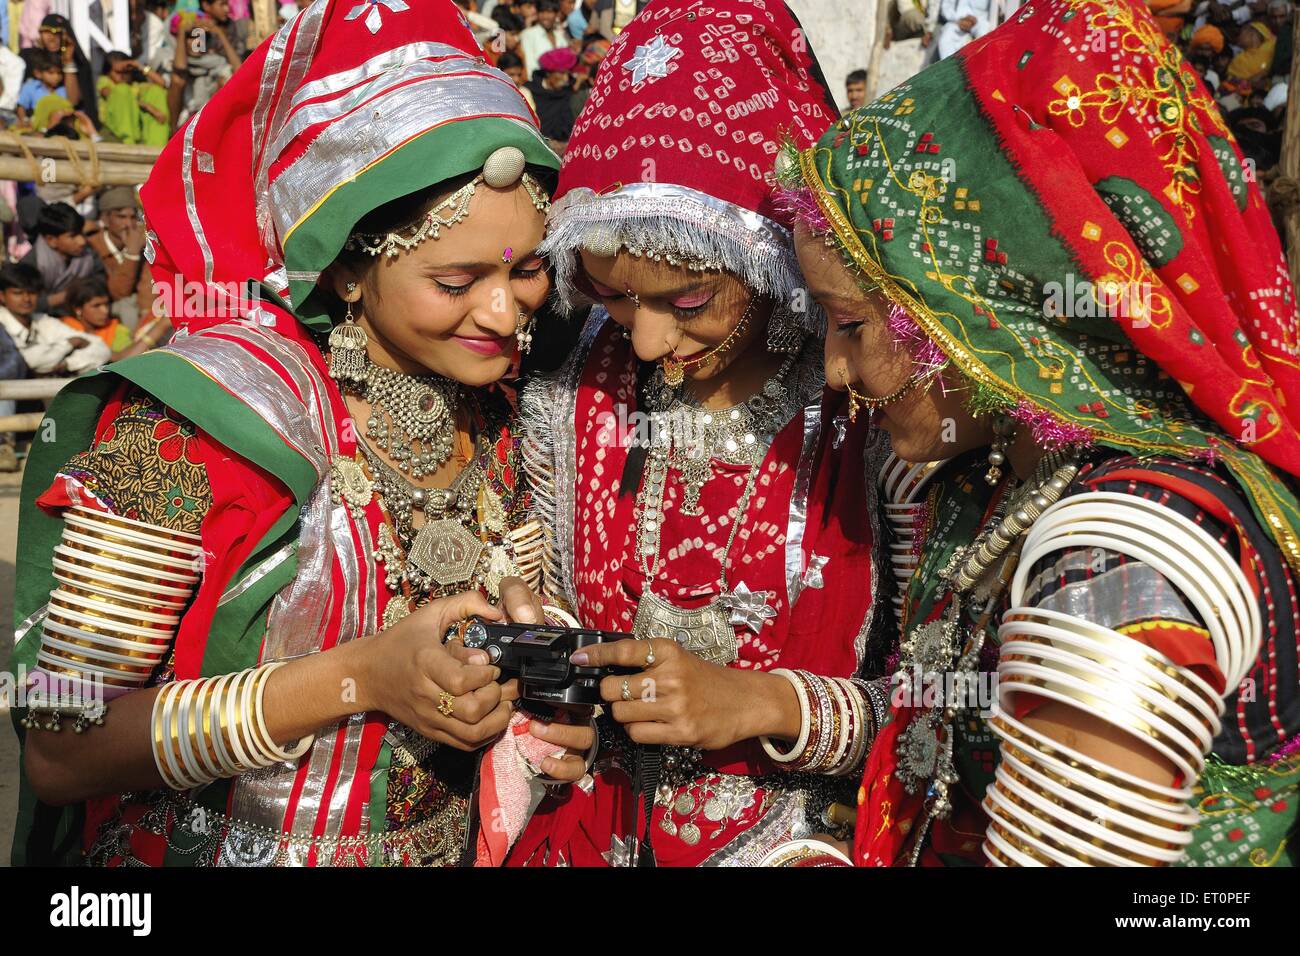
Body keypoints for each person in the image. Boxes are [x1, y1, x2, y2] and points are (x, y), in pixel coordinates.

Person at [10, 0, 593, 869]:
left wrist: (531, 669)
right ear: (351, 267)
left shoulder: (499, 416)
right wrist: (361, 678)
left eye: (529, 269)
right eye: (458, 277)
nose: (506, 313)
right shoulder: (197, 420)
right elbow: (59, 744)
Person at [781, 0, 1300, 866]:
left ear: (989, 310)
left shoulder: (1125, 559)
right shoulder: (1008, 473)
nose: (835, 375)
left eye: (850, 325)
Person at [508, 0, 881, 869]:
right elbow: (548, 591)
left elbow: (943, 710)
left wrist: (762, 706)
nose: (645, 343)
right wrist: (546, 660)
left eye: (687, 303)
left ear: (770, 257)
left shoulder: (864, 402)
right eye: (607, 294)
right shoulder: (576, 384)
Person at [21, 202, 108, 316]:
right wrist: (66, 296)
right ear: (51, 240)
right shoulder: (31, 263)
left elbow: (100, 279)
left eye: (81, 233)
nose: (82, 241)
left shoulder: (88, 254)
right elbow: (26, 303)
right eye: (72, 236)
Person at [88, 187, 154, 330]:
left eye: (132, 218)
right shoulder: (93, 246)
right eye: (121, 217)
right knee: (127, 309)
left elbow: (147, 286)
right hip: (107, 306)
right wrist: (132, 253)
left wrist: (146, 315)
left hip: (138, 303)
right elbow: (118, 293)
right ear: (105, 219)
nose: (128, 224)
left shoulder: (142, 240)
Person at [96, 51, 170, 146]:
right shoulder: (105, 81)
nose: (122, 76)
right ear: (108, 72)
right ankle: (128, 141)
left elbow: (162, 84)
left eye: (126, 71)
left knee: (156, 91)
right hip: (114, 131)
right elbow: (107, 93)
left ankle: (157, 146)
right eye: (118, 72)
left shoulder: (135, 86)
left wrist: (138, 65)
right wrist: (145, 106)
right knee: (122, 90)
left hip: (138, 132)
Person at [529, 46, 578, 147]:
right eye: (561, 73)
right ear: (548, 73)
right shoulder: (529, 92)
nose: (565, 78)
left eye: (568, 74)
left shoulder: (569, 92)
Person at [519, 0, 568, 75]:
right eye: (542, 12)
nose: (545, 16)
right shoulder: (528, 34)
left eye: (549, 12)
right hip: (538, 82)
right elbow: (530, 66)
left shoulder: (560, 35)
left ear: (557, 14)